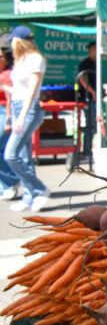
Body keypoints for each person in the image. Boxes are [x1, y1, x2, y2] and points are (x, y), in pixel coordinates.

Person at [3, 26, 50, 212]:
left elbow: (32, 91)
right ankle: (30, 196)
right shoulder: (20, 60)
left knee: (10, 154)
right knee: (22, 155)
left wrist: (21, 116)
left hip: (27, 109)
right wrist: (8, 90)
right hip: (17, 106)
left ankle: (39, 189)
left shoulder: (36, 59)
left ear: (18, 41)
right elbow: (21, 90)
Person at [0, 38, 21, 200]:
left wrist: (8, 119)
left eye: (0, 57)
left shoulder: (7, 75)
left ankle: (10, 183)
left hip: (3, 113)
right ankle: (5, 185)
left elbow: (9, 100)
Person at [76, 43, 97, 158]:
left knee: (96, 125)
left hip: (96, 99)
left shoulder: (97, 63)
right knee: (90, 125)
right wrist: (93, 92)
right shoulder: (85, 64)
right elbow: (82, 79)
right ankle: (86, 151)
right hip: (87, 99)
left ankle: (91, 150)